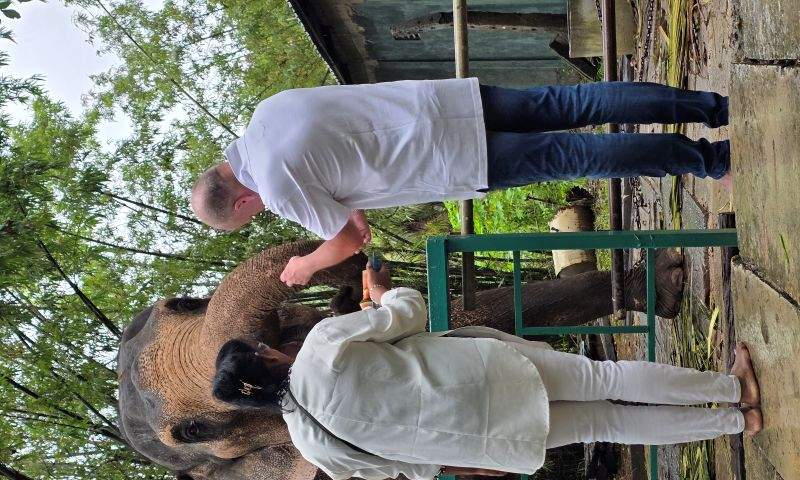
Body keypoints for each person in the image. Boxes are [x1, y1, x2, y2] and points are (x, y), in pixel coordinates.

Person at [211, 264, 760, 480]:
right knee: (606, 379)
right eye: (263, 346)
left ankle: (737, 425)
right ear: (265, 358)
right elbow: (409, 314)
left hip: (490, 437)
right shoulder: (318, 349)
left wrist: (477, 462)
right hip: (487, 374)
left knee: (606, 424)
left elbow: (408, 468)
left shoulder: (313, 449)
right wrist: (379, 293)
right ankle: (732, 388)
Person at [190, 79, 732, 286]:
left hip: (451, 156)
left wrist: (307, 264)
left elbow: (350, 240)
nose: (258, 214)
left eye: (249, 215)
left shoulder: (279, 185)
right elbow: (343, 162)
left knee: (581, 154)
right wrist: (348, 216)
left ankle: (709, 160)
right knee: (571, 101)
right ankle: (712, 107)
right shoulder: (266, 115)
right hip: (445, 102)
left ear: (241, 200)